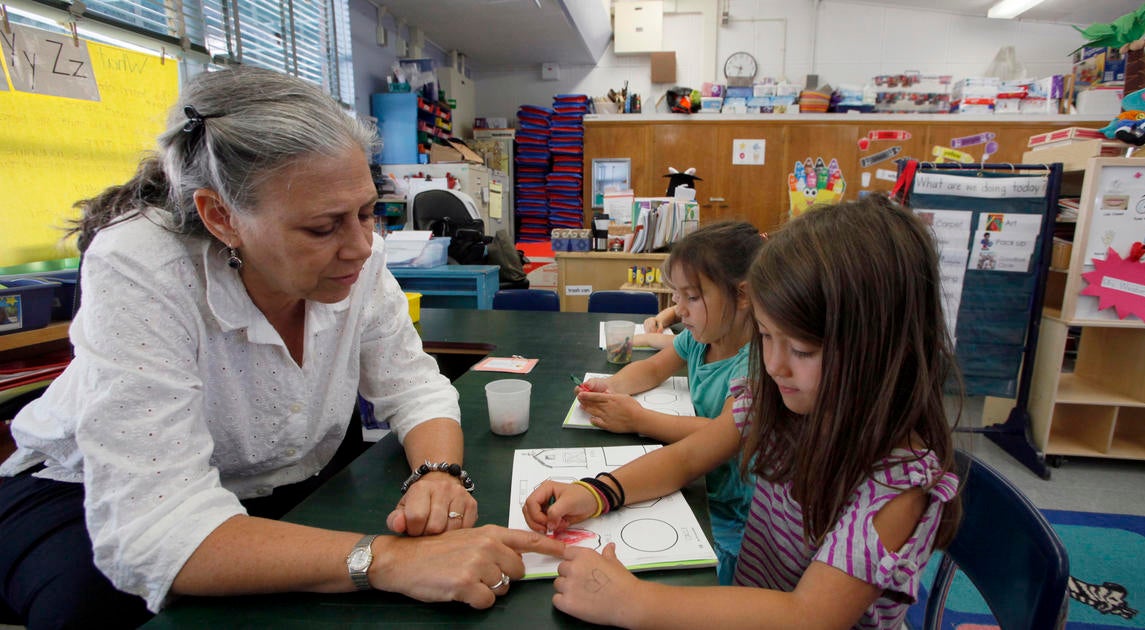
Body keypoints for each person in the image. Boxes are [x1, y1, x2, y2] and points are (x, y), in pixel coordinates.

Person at [0, 67, 560, 629]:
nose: (361, 247)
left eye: (368, 213)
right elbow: (159, 528)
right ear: (221, 217)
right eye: (323, 228)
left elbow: (412, 385)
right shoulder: (141, 263)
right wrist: (389, 558)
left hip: (278, 483)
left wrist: (437, 472)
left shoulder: (357, 257)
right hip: (86, 498)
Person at [526, 195, 963, 628]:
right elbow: (687, 458)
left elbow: (808, 616)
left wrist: (633, 602)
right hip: (748, 597)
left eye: (802, 350)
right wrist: (598, 492)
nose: (773, 365)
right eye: (767, 337)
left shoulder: (896, 483)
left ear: (885, 352)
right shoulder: (777, 399)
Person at [574, 220, 763, 585]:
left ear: (742, 295)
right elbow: (651, 370)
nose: (680, 310)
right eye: (676, 297)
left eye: (691, 297)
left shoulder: (755, 360)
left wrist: (640, 420)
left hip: (731, 513)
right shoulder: (699, 338)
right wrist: (609, 386)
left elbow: (723, 432)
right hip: (696, 483)